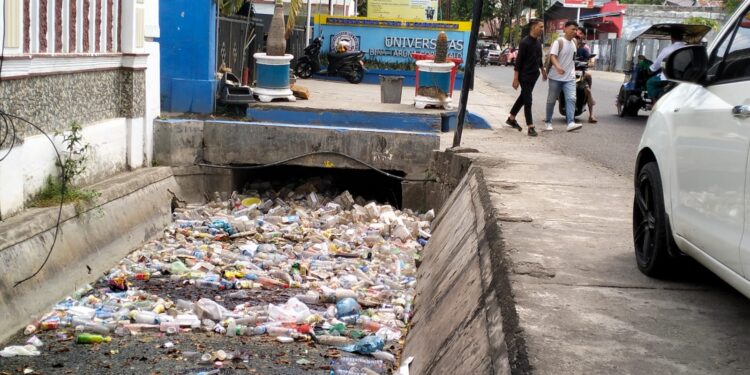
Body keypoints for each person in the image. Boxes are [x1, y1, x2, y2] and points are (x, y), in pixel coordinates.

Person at [506, 18, 547, 137]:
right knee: (528, 100)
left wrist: (543, 70)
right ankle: (530, 127)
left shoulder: (538, 42)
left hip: (534, 76)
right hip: (524, 76)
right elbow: (518, 62)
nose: (542, 29)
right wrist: (515, 78)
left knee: (523, 98)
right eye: (541, 27)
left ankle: (511, 118)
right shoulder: (525, 42)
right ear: (533, 27)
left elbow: (539, 58)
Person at [544, 20, 582, 132]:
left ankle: (570, 122)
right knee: (551, 100)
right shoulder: (559, 42)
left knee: (571, 98)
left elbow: (572, 59)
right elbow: (552, 56)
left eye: (576, 30)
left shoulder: (574, 42)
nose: (574, 31)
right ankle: (548, 122)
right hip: (555, 77)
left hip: (569, 77)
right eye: (572, 29)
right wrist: (557, 67)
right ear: (565, 29)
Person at [646, 30, 686, 100]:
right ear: (682, 37)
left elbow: (657, 64)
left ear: (672, 37)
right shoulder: (687, 48)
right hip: (684, 77)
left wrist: (651, 69)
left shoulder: (667, 49)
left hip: (668, 77)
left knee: (650, 82)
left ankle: (654, 101)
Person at [576, 39, 597, 123]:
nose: (579, 43)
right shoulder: (567, 49)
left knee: (588, 90)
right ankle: (548, 117)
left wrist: (590, 63)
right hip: (566, 74)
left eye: (579, 41)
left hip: (580, 75)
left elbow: (590, 60)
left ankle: (591, 115)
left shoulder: (584, 50)